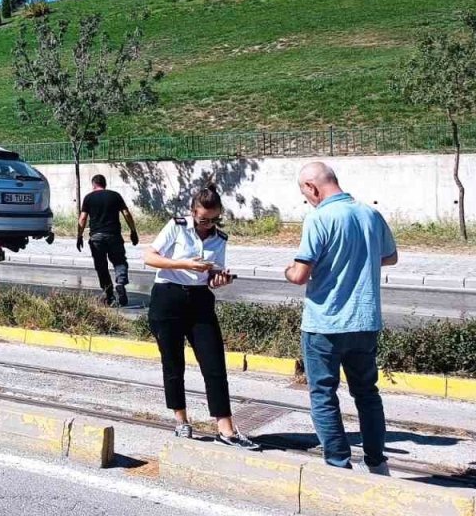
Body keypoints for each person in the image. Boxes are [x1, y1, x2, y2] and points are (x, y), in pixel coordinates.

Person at [284, 162, 397, 476]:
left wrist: (288, 270)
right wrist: (359, 259)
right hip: (365, 321)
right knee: (367, 393)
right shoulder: (369, 213)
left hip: (326, 323)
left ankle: (338, 465)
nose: (307, 199)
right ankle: (377, 462)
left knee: (323, 394)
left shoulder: (319, 218)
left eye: (305, 194)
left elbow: (300, 274)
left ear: (312, 187)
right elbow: (390, 256)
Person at [144, 185, 258, 449]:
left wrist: (220, 280)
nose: (208, 224)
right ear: (193, 212)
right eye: (203, 219)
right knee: (173, 365)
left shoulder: (220, 239)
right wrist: (185, 264)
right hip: (167, 296)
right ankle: (181, 420)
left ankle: (226, 429)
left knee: (214, 364)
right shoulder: (177, 226)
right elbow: (149, 256)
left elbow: (210, 277)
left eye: (214, 219)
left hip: (199, 301)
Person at [76, 175, 139, 306]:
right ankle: (120, 283)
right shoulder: (115, 196)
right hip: (114, 235)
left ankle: (109, 294)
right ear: (105, 184)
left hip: (96, 238)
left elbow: (82, 219)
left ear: (94, 185)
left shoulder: (88, 198)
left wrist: (79, 236)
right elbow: (126, 214)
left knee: (101, 266)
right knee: (119, 261)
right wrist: (133, 231)